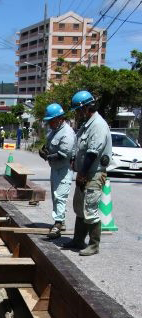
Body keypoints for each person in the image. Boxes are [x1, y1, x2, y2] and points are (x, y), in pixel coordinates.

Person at [65, 90, 111, 256]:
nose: (77, 113)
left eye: (78, 110)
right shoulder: (87, 124)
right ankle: (78, 239)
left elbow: (93, 152)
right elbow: (81, 148)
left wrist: (82, 173)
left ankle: (93, 244)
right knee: (79, 207)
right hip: (84, 173)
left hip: (93, 174)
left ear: (85, 108)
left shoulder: (98, 125)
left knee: (90, 208)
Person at [39, 103, 75, 239]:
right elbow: (48, 145)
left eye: (51, 121)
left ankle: (58, 224)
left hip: (64, 169)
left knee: (60, 195)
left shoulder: (67, 132)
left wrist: (48, 156)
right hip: (55, 168)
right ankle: (61, 220)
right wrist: (43, 151)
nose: (49, 124)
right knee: (55, 195)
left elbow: (64, 153)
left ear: (59, 119)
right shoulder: (54, 131)